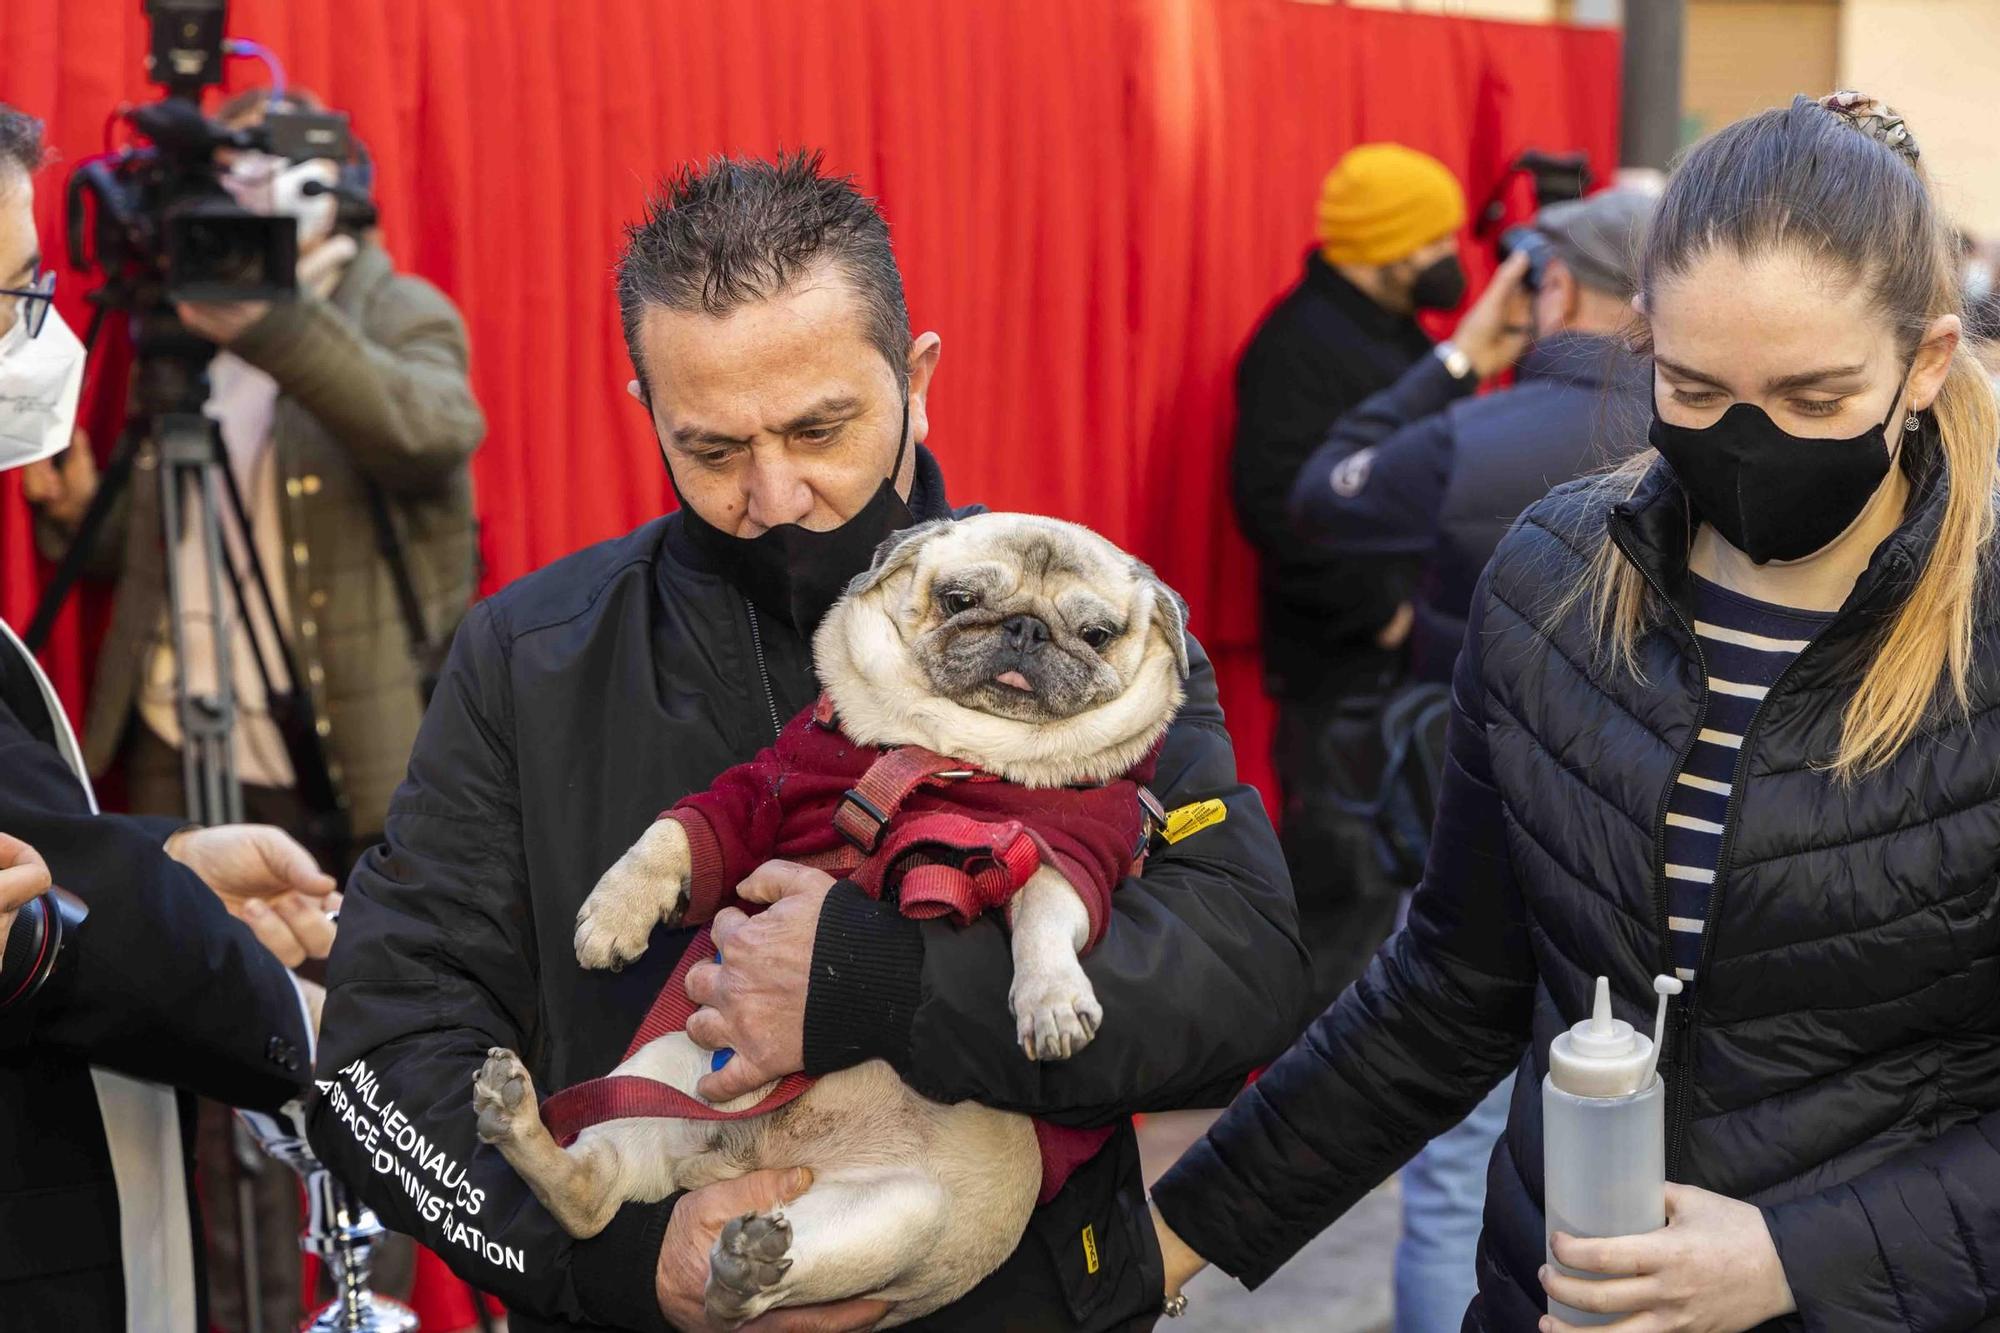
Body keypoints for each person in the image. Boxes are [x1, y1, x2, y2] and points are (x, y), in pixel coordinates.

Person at [307, 151, 1303, 1333]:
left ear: (916, 377)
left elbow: (1243, 980)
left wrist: (881, 985)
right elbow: (382, 1046)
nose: (774, 493)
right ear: (645, 411)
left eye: (820, 427)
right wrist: (626, 1265)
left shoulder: (1089, 633)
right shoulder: (532, 655)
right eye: (713, 450)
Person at [1149, 92, 2000, 1332]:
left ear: (1923, 363)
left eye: (1813, 399)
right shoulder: (1553, 580)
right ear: (1642, 339)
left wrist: (1790, 1260)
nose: (1750, 446)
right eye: (1698, 392)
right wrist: (1155, 1245)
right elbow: (1447, 991)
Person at [0, 100, 341, 1333]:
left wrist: (172, 866)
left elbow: (40, 850)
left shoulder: (381, 316)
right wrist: (320, 1025)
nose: (30, 333)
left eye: (35, 288)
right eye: (9, 293)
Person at [23, 84, 485, 866]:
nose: (227, 198)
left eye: (244, 172)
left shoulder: (401, 310)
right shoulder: (179, 334)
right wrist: (78, 513)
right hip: (178, 730)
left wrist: (270, 319)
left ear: (325, 189)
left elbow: (432, 436)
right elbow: (162, 546)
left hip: (329, 743)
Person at [1230, 142, 1470, 1017]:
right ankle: (1304, 1111)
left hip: (1406, 676)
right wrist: (1386, 617)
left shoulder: (1400, 339)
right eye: (1434, 238)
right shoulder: (1298, 347)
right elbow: (1273, 503)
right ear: (1385, 247)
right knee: (1344, 900)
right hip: (1346, 679)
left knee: (1401, 896)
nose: (1453, 258)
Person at [1293, 188, 1656, 686]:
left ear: (1560, 288)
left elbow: (1320, 499)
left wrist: (1456, 361)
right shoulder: (1711, 433)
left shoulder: (1466, 441)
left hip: (1480, 744)